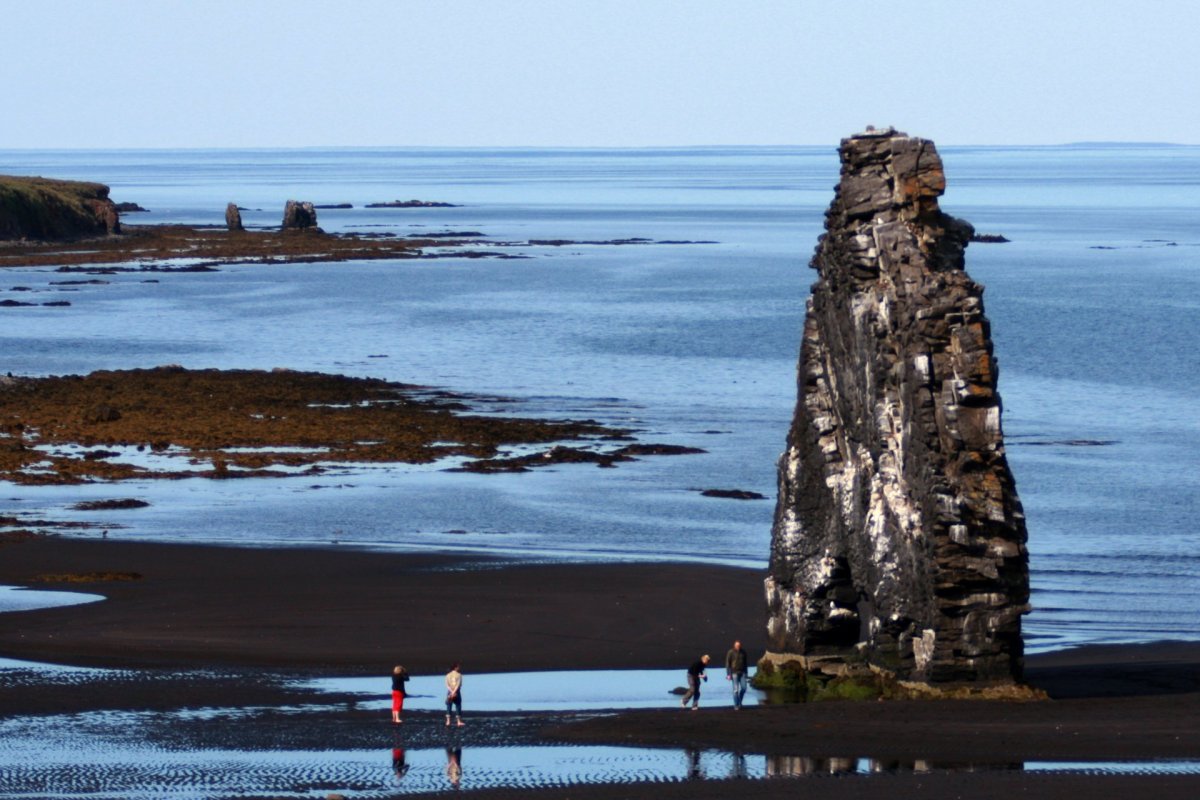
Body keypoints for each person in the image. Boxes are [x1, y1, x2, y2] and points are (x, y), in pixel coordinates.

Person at [725, 640, 749, 709]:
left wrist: (746, 673)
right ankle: (736, 705)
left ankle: (739, 702)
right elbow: (727, 663)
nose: (738, 646)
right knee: (735, 690)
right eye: (737, 645)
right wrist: (728, 674)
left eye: (739, 645)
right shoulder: (730, 652)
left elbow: (745, 663)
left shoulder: (743, 652)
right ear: (734, 645)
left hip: (742, 672)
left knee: (744, 688)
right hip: (734, 673)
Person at [445, 662, 464, 727]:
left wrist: (451, 692)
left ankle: (448, 721)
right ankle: (458, 722)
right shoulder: (459, 675)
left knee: (449, 705)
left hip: (450, 692)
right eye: (458, 667)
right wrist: (454, 692)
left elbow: (447, 685)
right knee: (458, 705)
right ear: (455, 667)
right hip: (457, 692)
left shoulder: (447, 675)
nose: (459, 668)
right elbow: (458, 685)